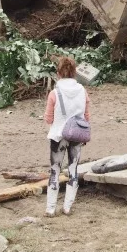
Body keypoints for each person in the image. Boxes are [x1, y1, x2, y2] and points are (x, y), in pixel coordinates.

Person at [44, 57, 90, 216]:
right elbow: (86, 115)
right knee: (73, 170)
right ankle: (67, 207)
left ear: (58, 73)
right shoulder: (82, 90)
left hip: (58, 135)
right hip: (77, 134)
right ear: (75, 73)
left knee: (55, 170)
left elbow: (48, 118)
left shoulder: (54, 93)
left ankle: (50, 208)